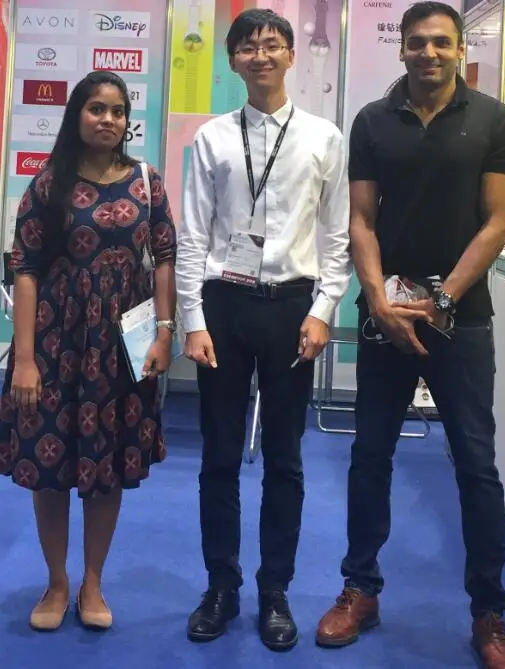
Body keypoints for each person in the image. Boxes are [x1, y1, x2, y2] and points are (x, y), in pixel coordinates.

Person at [315, 4, 505, 669]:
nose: (427, 52)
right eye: (416, 43)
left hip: (463, 318)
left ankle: (488, 612)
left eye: (440, 42)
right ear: (401, 49)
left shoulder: (493, 119)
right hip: (386, 317)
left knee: (476, 464)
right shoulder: (372, 121)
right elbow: (360, 219)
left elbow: (496, 222)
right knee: (369, 456)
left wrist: (441, 300)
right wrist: (377, 300)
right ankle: (360, 589)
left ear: (459, 49)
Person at [176, 8, 351, 651]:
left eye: (272, 44)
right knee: (219, 457)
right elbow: (193, 235)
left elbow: (336, 236)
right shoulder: (212, 137)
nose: (261, 55)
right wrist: (192, 319)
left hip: (291, 308)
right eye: (248, 47)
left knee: (285, 459)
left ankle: (275, 589)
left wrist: (323, 310)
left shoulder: (324, 137)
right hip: (224, 305)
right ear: (233, 61)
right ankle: (221, 587)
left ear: (290, 55)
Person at [0, 71, 177, 632]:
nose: (108, 119)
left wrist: (165, 332)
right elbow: (25, 270)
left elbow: (166, 257)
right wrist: (23, 358)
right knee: (50, 469)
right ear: (77, 113)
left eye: (118, 111)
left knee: (108, 468)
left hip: (120, 349)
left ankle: (92, 582)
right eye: (97, 108)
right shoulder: (48, 184)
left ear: (128, 121)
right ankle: (56, 582)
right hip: (54, 346)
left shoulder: (146, 181)